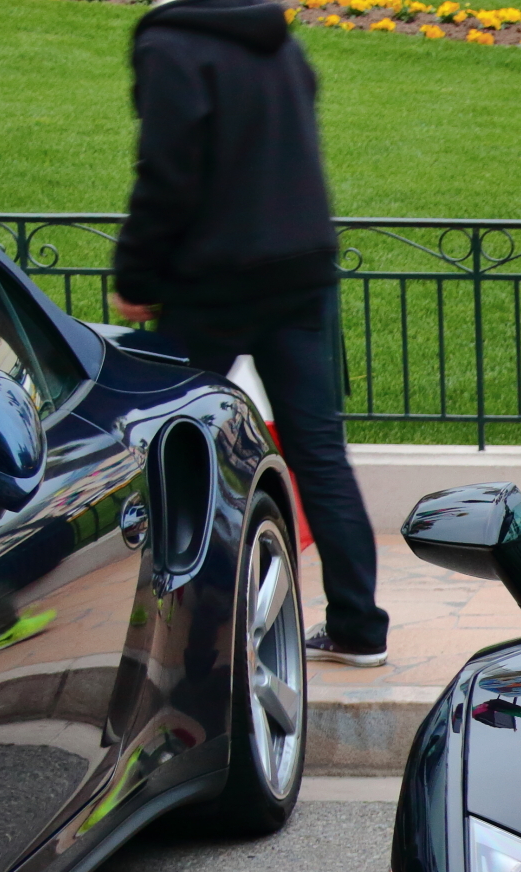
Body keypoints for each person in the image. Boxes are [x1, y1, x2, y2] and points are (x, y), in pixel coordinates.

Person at [108, 0, 388, 666]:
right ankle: (358, 625)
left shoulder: (170, 47)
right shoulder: (279, 44)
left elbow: (166, 173)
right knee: (320, 454)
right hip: (300, 271)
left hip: (214, 280)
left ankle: (166, 626)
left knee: (159, 437)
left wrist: (137, 276)